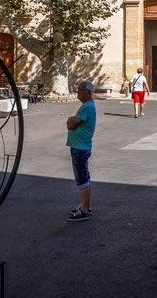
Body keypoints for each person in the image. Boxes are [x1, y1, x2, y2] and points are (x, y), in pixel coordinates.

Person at [66, 80, 97, 221]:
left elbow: (71, 124)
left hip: (80, 147)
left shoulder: (86, 107)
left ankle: (84, 210)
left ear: (88, 93)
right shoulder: (88, 106)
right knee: (85, 177)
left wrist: (70, 120)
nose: (77, 92)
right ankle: (86, 206)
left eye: (80, 90)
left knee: (82, 178)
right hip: (82, 146)